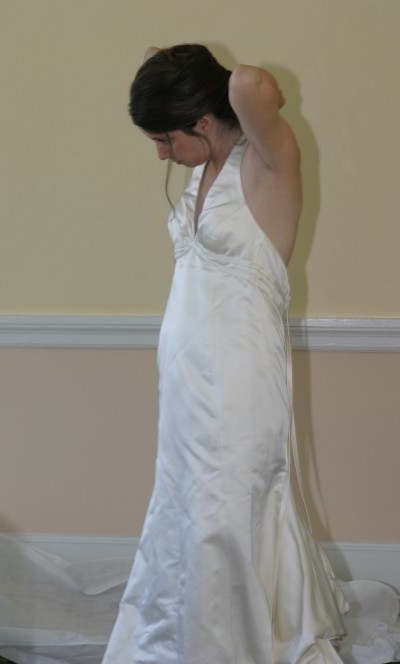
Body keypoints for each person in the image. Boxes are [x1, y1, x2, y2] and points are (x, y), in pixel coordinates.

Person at [102, 44, 348, 664]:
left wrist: (223, 84)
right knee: (183, 512)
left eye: (165, 139)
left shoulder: (269, 165)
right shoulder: (203, 166)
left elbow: (249, 84)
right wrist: (173, 81)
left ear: (205, 121)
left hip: (238, 385)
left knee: (223, 517)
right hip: (186, 384)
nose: (162, 154)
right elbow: (164, 60)